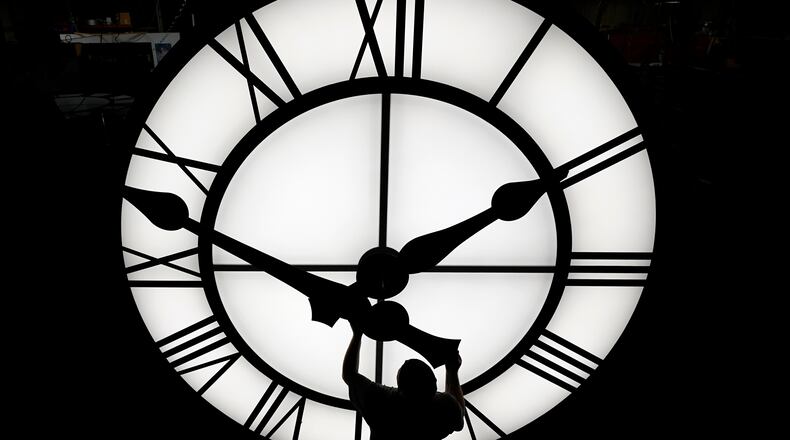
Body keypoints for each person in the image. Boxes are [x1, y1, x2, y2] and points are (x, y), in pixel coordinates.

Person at [342, 326, 465, 440]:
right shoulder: (444, 408)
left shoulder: (381, 402)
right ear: (434, 385)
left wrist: (357, 334)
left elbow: (349, 374)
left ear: (401, 388)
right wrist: (451, 372)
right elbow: (458, 415)